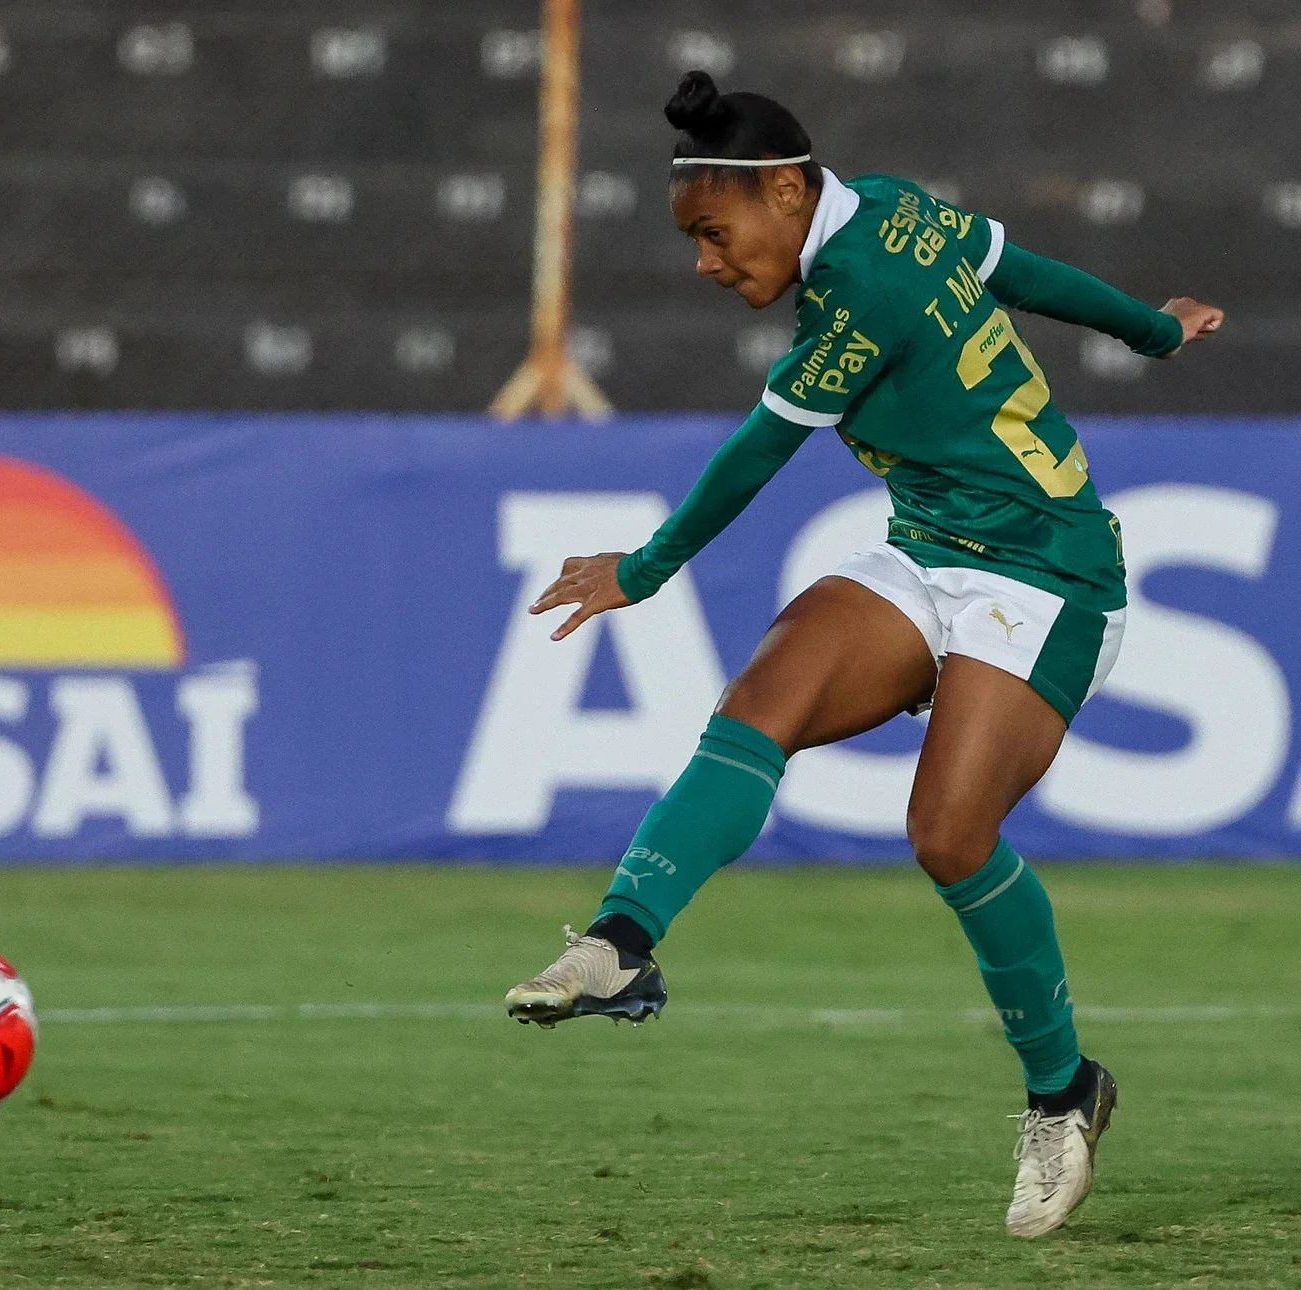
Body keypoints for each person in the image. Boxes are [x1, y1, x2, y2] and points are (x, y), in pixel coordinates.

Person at [503, 70, 1223, 1238]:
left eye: (712, 233)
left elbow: (755, 452)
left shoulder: (861, 291)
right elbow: (1021, 270)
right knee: (766, 694)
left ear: (785, 193)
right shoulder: (894, 207)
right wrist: (1151, 329)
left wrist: (641, 568)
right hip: (928, 545)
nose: (705, 262)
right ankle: (619, 942)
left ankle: (1063, 1096)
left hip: (1046, 571)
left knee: (947, 834)